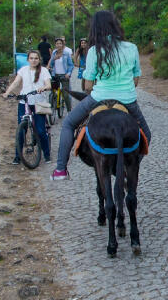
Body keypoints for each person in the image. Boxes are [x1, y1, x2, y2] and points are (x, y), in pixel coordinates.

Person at [51, 10, 152, 181]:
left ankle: (61, 169)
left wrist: (96, 88)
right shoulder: (132, 48)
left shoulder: (93, 51)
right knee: (147, 134)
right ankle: (129, 168)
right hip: (128, 100)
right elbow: (135, 80)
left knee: (68, 123)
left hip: (99, 98)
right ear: (115, 25)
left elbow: (88, 83)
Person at [2, 50, 52, 164]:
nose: (33, 60)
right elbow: (15, 83)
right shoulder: (23, 70)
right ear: (28, 59)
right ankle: (17, 156)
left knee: (40, 130)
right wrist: (7, 92)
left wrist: (44, 88)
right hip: (24, 102)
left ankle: (47, 154)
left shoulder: (44, 71)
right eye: (31, 58)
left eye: (36, 58)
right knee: (21, 130)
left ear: (39, 60)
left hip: (39, 102)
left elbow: (48, 84)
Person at [48, 38, 74, 112]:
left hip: (64, 76)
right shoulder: (54, 53)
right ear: (55, 45)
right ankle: (52, 105)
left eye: (60, 43)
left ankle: (69, 111)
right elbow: (51, 65)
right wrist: (53, 59)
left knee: (65, 95)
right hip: (55, 75)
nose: (58, 45)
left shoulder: (66, 53)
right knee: (52, 92)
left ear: (63, 44)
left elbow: (71, 65)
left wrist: (68, 73)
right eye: (57, 43)